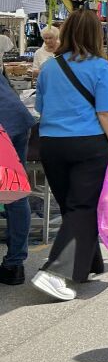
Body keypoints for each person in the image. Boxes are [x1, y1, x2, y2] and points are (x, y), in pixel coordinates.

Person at [30, 9, 108, 301]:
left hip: (52, 143)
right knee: (82, 207)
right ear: (97, 35)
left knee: (72, 206)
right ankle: (56, 270)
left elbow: (41, 107)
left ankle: (86, 263)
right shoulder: (99, 67)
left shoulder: (49, 66)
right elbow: (107, 112)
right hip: (88, 143)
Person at [0, 70, 36, 285]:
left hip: (5, 125)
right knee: (14, 193)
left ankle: (14, 263)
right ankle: (14, 264)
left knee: (12, 192)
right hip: (16, 120)